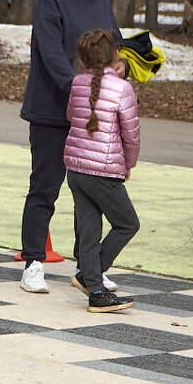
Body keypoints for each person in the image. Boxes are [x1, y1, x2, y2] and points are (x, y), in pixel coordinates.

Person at [19, 0, 124, 294]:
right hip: (53, 111)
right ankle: (33, 261)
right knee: (45, 188)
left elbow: (115, 47)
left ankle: (88, 267)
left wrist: (122, 64)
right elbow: (51, 56)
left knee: (91, 192)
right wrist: (81, 94)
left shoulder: (102, 0)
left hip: (92, 115)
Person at [64, 29, 139, 313]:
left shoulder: (77, 83)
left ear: (84, 59)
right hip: (104, 171)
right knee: (127, 223)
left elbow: (72, 117)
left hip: (76, 169)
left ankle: (95, 289)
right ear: (115, 56)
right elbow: (131, 135)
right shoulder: (123, 88)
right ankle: (90, 277)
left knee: (88, 231)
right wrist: (128, 164)